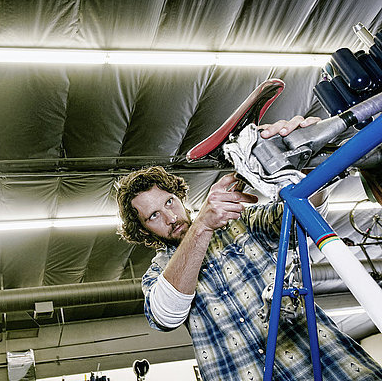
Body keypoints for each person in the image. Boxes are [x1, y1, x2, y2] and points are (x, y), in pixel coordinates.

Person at [115, 116, 382, 380]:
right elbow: (166, 316)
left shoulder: (241, 223)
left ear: (179, 197)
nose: (170, 217)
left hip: (334, 368)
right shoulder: (157, 276)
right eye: (153, 216)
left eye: (170, 202)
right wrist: (202, 227)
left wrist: (304, 164)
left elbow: (303, 212)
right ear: (142, 231)